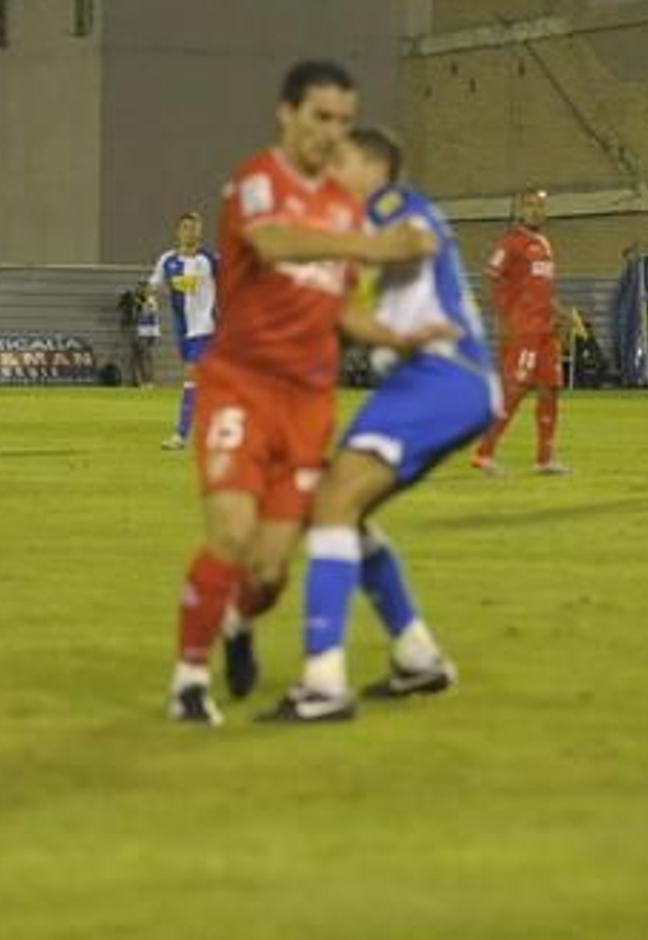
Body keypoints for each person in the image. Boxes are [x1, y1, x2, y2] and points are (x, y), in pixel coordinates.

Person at [166, 60, 438, 726]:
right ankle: (189, 681)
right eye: (321, 116)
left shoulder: (343, 207)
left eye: (344, 120)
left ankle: (236, 619)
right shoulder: (258, 181)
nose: (332, 132)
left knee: (267, 569)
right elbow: (275, 242)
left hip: (310, 404)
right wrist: (376, 245)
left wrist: (401, 337)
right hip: (241, 388)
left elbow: (340, 308)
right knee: (231, 534)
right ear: (286, 114)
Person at [262, 128, 499, 723]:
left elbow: (413, 241)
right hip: (419, 381)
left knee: (333, 502)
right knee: (339, 507)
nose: (328, 170)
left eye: (340, 159)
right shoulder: (359, 232)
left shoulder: (391, 205)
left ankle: (323, 684)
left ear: (374, 166)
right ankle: (418, 658)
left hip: (442, 375)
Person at [471, 187, 570, 475]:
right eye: (529, 206)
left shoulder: (544, 244)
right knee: (516, 388)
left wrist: (560, 312)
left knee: (551, 389)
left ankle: (544, 459)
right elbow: (490, 277)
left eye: (540, 206)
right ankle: (484, 453)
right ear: (519, 211)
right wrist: (502, 322)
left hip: (546, 330)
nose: (535, 211)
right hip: (522, 329)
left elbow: (541, 288)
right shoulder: (511, 243)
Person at [148, 212, 217, 449]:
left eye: (195, 227)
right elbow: (154, 284)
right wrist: (148, 296)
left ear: (200, 231)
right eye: (186, 227)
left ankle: (181, 434)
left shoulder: (209, 260)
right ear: (178, 231)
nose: (190, 232)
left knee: (191, 375)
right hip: (183, 331)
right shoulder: (167, 260)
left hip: (205, 328)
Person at [121, 281, 161, 388]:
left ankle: (148, 381)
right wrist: (131, 307)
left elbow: (146, 312)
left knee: (144, 356)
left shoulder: (151, 300)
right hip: (139, 331)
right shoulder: (140, 300)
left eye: (141, 289)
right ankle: (137, 381)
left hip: (148, 332)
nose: (138, 291)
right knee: (135, 356)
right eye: (138, 289)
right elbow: (134, 317)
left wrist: (137, 303)